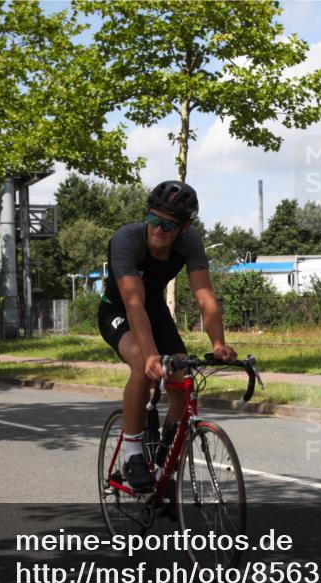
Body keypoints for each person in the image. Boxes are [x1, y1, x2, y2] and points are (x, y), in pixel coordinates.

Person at [98, 180, 236, 493]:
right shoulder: (126, 240)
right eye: (154, 221)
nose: (159, 231)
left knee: (183, 382)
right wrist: (149, 356)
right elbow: (133, 303)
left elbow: (204, 295)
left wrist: (218, 344)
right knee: (141, 366)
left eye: (169, 225)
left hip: (156, 311)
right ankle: (133, 454)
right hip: (118, 311)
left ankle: (163, 466)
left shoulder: (190, 243)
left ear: (185, 228)